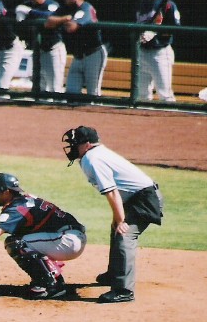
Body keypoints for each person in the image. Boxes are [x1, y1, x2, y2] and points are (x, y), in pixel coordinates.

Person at [62, 126, 163, 303]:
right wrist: (118, 219)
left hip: (144, 200)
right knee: (117, 228)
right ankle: (115, 273)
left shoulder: (94, 159)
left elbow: (113, 192)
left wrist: (121, 220)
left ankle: (123, 290)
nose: (72, 147)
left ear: (86, 144)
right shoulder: (93, 155)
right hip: (136, 197)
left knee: (124, 235)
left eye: (75, 144)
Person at [0, 173, 87, 299]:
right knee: (21, 238)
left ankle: (51, 285)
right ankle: (53, 279)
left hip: (67, 240)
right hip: (70, 237)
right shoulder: (26, 199)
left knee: (16, 243)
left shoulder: (16, 207)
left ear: (6, 192)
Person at [45, 0, 107, 96]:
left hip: (93, 54)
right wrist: (65, 18)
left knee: (93, 94)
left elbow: (71, 27)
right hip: (77, 56)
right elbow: (48, 22)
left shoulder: (86, 8)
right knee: (71, 93)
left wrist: (61, 21)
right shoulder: (65, 9)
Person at [135, 0, 180, 102]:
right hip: (142, 51)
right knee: (142, 95)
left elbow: (176, 29)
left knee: (165, 95)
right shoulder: (141, 3)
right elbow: (136, 24)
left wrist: (155, 33)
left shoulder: (168, 4)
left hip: (160, 52)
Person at [15, 0, 66, 93]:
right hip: (39, 49)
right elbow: (17, 13)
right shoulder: (29, 4)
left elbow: (50, 16)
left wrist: (30, 12)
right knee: (39, 84)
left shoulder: (51, 4)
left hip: (54, 48)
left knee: (55, 86)